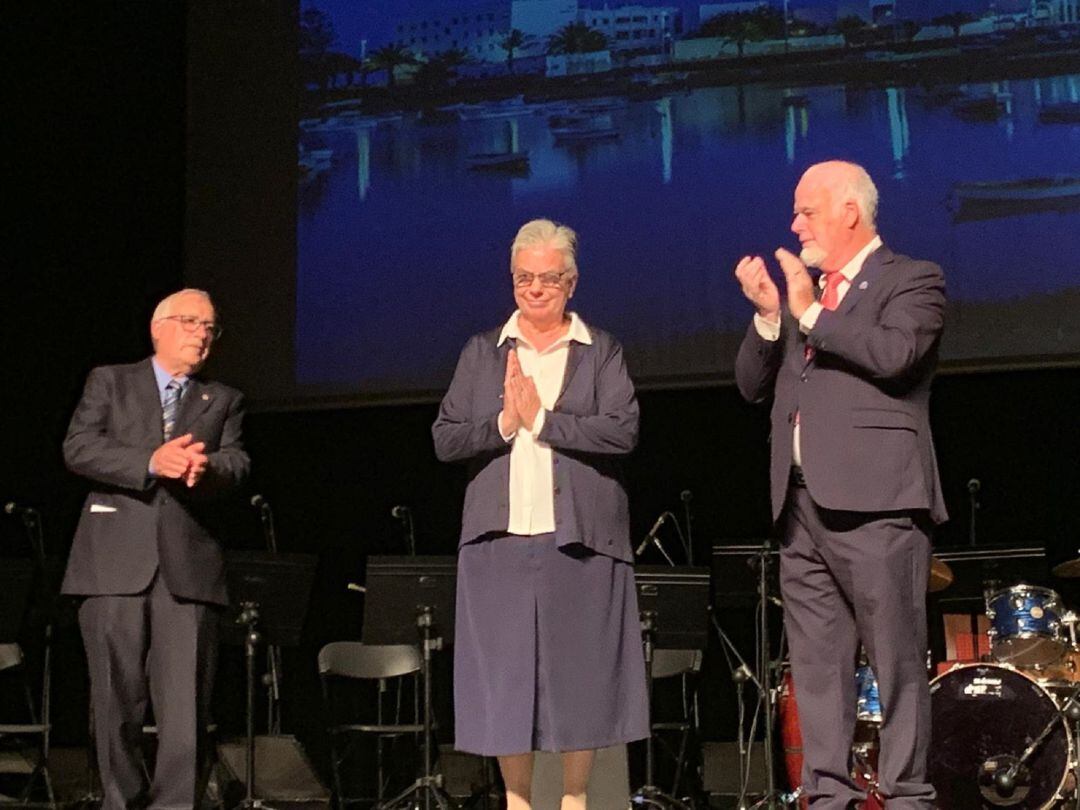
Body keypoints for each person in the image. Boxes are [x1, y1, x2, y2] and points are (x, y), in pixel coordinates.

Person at [733, 161, 947, 810]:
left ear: (849, 212)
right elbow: (751, 385)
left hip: (878, 506)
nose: (795, 224)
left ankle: (908, 797)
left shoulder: (913, 279)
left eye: (806, 211)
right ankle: (827, 798)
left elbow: (894, 354)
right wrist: (773, 318)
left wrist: (809, 313)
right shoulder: (806, 298)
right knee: (819, 673)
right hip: (800, 511)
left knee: (897, 664)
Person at [432, 219, 648, 810]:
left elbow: (623, 430)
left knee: (580, 680)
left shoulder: (599, 350)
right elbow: (446, 439)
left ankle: (574, 799)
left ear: (570, 283)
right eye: (524, 278)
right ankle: (519, 801)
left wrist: (544, 422)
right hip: (498, 541)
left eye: (547, 279)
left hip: (578, 540)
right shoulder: (483, 352)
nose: (534, 289)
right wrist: (505, 422)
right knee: (505, 684)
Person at [62, 288, 250, 810]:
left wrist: (207, 468)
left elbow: (238, 462)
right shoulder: (112, 381)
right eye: (191, 322)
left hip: (187, 570)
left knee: (186, 712)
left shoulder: (224, 399)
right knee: (114, 705)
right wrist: (151, 460)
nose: (202, 334)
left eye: (211, 327)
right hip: (111, 565)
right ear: (158, 327)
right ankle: (118, 803)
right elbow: (78, 447)